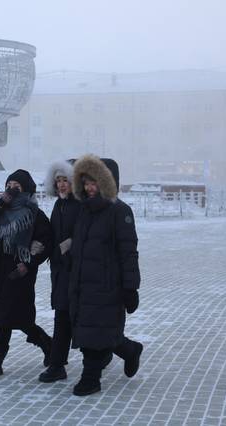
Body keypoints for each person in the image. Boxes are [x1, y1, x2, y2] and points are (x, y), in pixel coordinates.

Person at [69, 155, 144, 396]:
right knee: (93, 330)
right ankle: (130, 350)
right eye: (86, 183)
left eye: (95, 183)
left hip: (107, 285)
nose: (90, 188)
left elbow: (128, 252)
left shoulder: (120, 212)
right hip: (83, 284)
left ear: (108, 183)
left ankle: (90, 379)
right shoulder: (84, 211)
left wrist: (130, 288)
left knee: (96, 333)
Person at [0, 169, 53, 378]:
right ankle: (47, 346)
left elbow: (46, 241)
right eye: (9, 185)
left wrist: (28, 262)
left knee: (15, 318)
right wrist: (2, 202)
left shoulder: (35, 214)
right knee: (7, 316)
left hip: (20, 272)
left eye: (16, 186)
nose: (12, 189)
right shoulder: (2, 210)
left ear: (26, 189)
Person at [38, 160, 80, 383]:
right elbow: (53, 234)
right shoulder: (59, 205)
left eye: (66, 180)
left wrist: (70, 244)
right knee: (62, 317)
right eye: (59, 181)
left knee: (84, 319)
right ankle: (57, 365)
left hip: (79, 273)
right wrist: (42, 247)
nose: (62, 185)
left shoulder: (80, 205)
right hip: (61, 273)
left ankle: (125, 349)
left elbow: (88, 234)